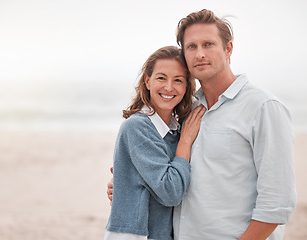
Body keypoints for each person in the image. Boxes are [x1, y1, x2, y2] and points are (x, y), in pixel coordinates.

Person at [108, 9, 297, 240]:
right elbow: (169, 175)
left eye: (208, 44)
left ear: (228, 49)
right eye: (191, 47)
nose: (200, 54)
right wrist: (129, 185)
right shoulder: (186, 112)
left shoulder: (263, 107)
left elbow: (277, 202)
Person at [104, 46, 206, 240]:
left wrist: (127, 183)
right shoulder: (137, 126)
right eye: (161, 78)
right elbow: (171, 192)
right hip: (136, 234)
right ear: (147, 80)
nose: (169, 87)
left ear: (186, 87)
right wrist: (185, 141)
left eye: (178, 80)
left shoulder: (174, 130)